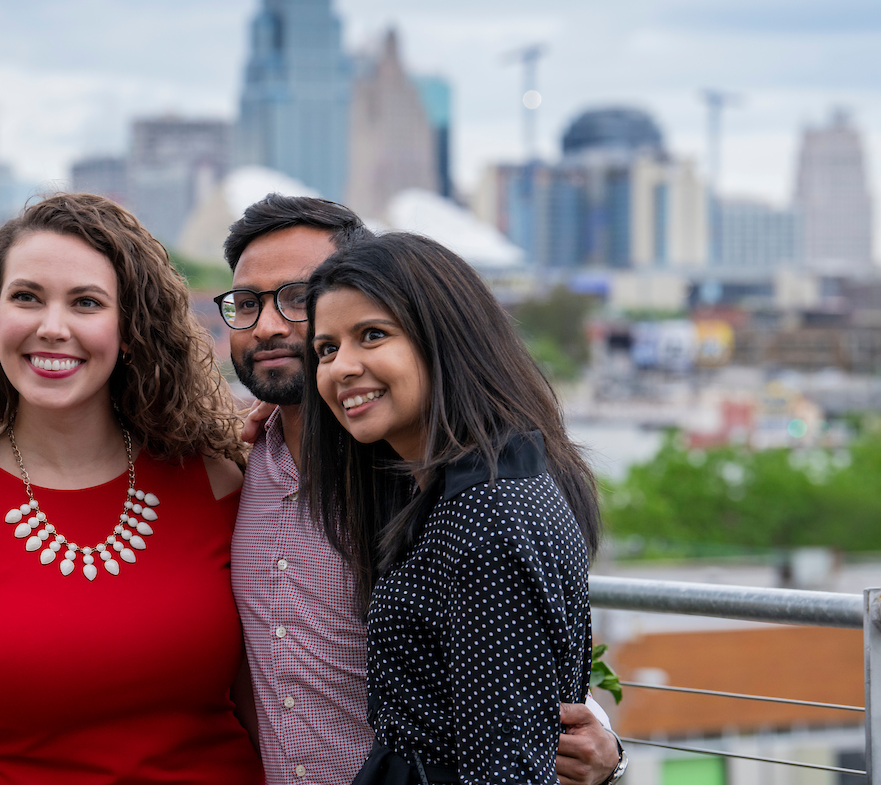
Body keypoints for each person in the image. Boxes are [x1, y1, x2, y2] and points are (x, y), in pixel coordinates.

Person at [0, 193, 262, 784]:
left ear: (129, 329)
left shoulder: (215, 481)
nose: (52, 328)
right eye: (27, 298)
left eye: (86, 303)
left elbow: (274, 721)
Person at [221, 194, 622, 785]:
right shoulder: (230, 466)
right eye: (248, 303)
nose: (271, 325)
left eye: (298, 298)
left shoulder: (436, 489)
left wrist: (604, 752)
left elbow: (516, 678)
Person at [302, 232, 600, 784]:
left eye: (372, 335)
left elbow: (505, 769)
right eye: (326, 349)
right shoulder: (452, 493)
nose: (341, 367)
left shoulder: (488, 515)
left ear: (443, 338)